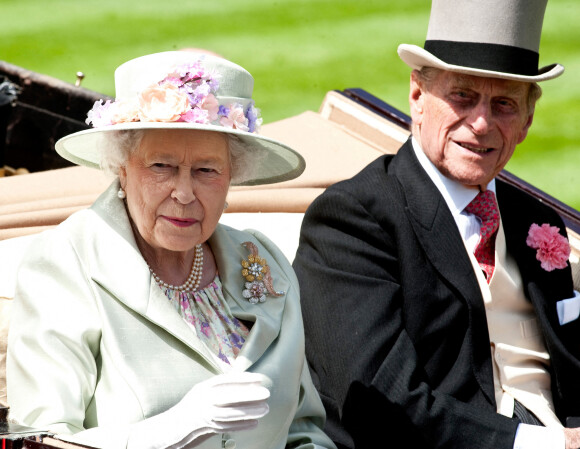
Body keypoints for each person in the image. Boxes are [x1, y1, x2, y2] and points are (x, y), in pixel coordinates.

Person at [7, 51, 336, 449]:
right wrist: (177, 427)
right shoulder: (64, 262)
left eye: (206, 170)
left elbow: (303, 431)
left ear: (233, 175)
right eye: (161, 166)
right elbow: (44, 441)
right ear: (122, 168)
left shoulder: (261, 260)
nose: (183, 193)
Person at [293, 1, 580, 448]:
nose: (482, 123)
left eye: (503, 103)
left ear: (527, 120)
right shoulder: (352, 219)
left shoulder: (538, 222)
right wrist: (546, 445)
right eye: (462, 96)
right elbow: (381, 404)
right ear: (417, 96)